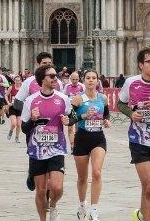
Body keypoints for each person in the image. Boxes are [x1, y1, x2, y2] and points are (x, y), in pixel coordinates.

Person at [117, 47, 150, 221]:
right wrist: (131, 114)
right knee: (149, 188)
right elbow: (121, 104)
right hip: (138, 139)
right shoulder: (131, 82)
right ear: (140, 65)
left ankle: (140, 215)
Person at [21, 65, 75, 221]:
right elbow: (24, 128)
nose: (55, 78)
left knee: (57, 188)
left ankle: (53, 205)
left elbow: (73, 117)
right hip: (37, 150)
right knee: (40, 190)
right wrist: (33, 120)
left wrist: (69, 120)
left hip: (56, 148)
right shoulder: (30, 100)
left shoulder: (63, 98)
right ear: (42, 79)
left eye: (55, 75)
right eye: (51, 76)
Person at [71, 70, 110, 221]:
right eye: (88, 78)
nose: (91, 80)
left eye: (94, 78)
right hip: (81, 138)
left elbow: (106, 115)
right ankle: (82, 204)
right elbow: (70, 119)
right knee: (82, 177)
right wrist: (84, 115)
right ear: (84, 80)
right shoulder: (78, 99)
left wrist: (106, 121)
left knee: (97, 173)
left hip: (98, 138)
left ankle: (94, 209)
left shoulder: (103, 98)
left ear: (97, 81)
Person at [64, 72, 85, 147]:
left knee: (78, 127)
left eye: (76, 79)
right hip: (70, 109)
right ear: (70, 79)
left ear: (79, 79)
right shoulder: (67, 86)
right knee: (70, 128)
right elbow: (64, 97)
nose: (75, 81)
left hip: (79, 108)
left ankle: (78, 143)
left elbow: (84, 97)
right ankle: (72, 146)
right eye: (73, 79)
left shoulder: (82, 86)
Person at [6, 75, 23, 142]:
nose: (17, 82)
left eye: (18, 80)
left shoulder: (23, 88)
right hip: (12, 107)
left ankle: (17, 137)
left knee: (19, 124)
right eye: (16, 80)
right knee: (14, 123)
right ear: (14, 81)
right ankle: (11, 131)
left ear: (20, 81)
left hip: (20, 108)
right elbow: (6, 95)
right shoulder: (11, 87)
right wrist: (8, 102)